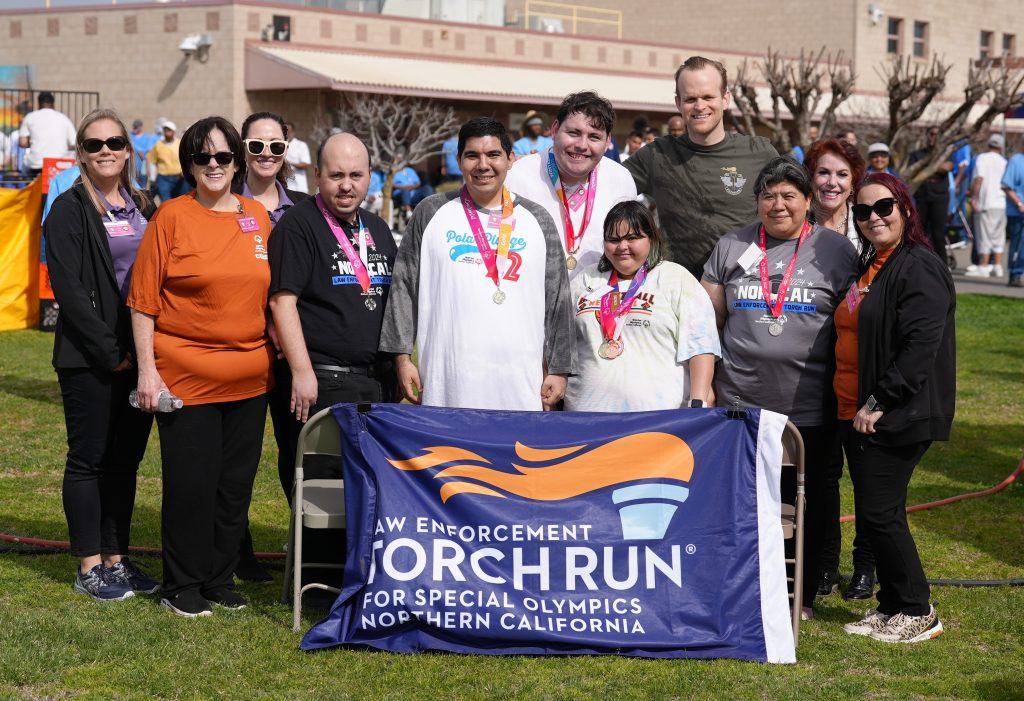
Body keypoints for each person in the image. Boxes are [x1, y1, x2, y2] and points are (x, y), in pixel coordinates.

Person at [128, 116, 274, 618]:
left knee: (234, 486)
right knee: (191, 484)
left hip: (250, 378)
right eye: (201, 157)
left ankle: (219, 577)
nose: (213, 165)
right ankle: (183, 584)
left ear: (237, 160)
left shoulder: (257, 215)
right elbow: (143, 301)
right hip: (186, 377)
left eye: (223, 156)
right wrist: (148, 372)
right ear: (188, 163)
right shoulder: (170, 216)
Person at [701, 157, 857, 620]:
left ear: (809, 202)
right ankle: (742, 584)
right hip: (740, 402)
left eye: (790, 195)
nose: (778, 204)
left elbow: (852, 322)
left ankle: (803, 593)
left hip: (810, 406)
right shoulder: (733, 245)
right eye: (768, 196)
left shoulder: (835, 250)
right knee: (743, 497)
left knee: (807, 500)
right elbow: (710, 322)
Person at [380, 116, 575, 410]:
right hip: (448, 384)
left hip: (520, 387)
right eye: (472, 155)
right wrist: (402, 358)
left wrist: (560, 369)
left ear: (510, 159)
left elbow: (558, 300)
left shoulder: (538, 219)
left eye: (493, 154)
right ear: (459, 160)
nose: (483, 165)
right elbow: (403, 289)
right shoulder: (429, 212)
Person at [44, 108, 159, 602]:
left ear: (128, 150)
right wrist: (111, 353)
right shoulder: (68, 211)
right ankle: (89, 565)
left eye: (114, 142)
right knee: (88, 460)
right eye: (94, 145)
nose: (106, 151)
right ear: (81, 155)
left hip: (140, 356)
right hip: (90, 357)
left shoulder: (144, 204)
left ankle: (117, 559)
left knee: (124, 462)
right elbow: (68, 292)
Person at [837, 172, 954, 643]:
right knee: (875, 512)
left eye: (883, 207)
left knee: (881, 513)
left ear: (905, 208)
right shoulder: (873, 264)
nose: (873, 218)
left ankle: (917, 609)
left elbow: (921, 344)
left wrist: (880, 399)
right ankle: (890, 606)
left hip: (894, 413)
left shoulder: (917, 265)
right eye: (862, 211)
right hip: (859, 410)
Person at [269, 131, 396, 491]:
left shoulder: (378, 229)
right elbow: (282, 302)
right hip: (322, 382)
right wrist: (302, 371)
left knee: (374, 490)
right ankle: (319, 551)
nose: (346, 186)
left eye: (355, 176)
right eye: (336, 175)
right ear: (317, 176)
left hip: (375, 384)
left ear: (369, 176)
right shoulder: (298, 226)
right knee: (323, 494)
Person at [230, 110, 310, 583]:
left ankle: (304, 548)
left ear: (286, 152)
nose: (265, 155)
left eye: (275, 147)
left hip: (288, 355)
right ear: (242, 148)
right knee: (236, 457)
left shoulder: (303, 208)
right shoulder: (219, 201)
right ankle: (234, 550)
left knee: (294, 452)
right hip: (237, 347)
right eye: (256, 146)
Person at [625, 56, 779, 279]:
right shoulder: (656, 155)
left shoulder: (760, 153)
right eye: (690, 99)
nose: (700, 106)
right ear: (678, 103)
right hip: (679, 291)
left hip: (745, 290)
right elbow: (604, 189)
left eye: (708, 97)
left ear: (725, 99)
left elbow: (794, 212)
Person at [565, 200, 719, 412]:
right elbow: (560, 341)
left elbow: (701, 346)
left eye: (633, 238)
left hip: (657, 424)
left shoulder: (675, 278)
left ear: (652, 238)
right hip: (586, 418)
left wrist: (698, 402)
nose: (622, 247)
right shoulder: (585, 279)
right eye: (613, 239)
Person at [505, 91, 637, 280]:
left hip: (595, 302)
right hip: (532, 298)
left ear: (608, 141)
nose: (582, 145)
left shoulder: (621, 180)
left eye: (594, 137)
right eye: (573, 133)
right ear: (555, 129)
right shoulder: (517, 176)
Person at [806, 138, 866, 250]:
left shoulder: (866, 221)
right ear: (811, 178)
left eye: (842, 174)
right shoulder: (796, 222)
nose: (832, 182)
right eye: (823, 172)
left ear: (853, 182)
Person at [966, 134, 1008, 279]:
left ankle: (983, 266)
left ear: (988, 144)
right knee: (998, 236)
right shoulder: (1004, 161)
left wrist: (973, 196)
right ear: (1001, 147)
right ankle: (997, 266)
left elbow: (979, 178)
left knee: (984, 235)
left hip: (986, 202)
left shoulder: (982, 158)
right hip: (1000, 202)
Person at [908, 127, 954, 257]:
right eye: (931, 134)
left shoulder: (946, 154)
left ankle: (942, 266)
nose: (933, 137)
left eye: (937, 134)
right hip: (921, 197)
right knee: (919, 233)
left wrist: (925, 169)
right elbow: (912, 172)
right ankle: (919, 262)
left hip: (939, 198)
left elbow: (947, 167)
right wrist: (935, 169)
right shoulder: (916, 154)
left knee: (938, 234)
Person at [18, 91, 76, 177]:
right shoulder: (64, 118)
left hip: (36, 165)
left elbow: (22, 143)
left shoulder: (30, 117)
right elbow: (74, 143)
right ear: (53, 103)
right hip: (59, 165)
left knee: (24, 167)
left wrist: (35, 142)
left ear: (39, 103)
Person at [147, 121, 189, 204]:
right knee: (166, 202)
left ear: (173, 132)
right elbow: (152, 160)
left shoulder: (180, 143)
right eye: (165, 130)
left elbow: (186, 159)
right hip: (163, 178)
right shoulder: (158, 145)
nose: (167, 133)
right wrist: (152, 177)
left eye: (169, 130)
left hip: (179, 178)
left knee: (181, 201)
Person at [1003, 136, 1024, 288]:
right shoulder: (1016, 160)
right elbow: (1006, 186)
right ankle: (1015, 274)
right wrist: (1019, 203)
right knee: (1018, 244)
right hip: (1018, 212)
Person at [284, 121, 312, 194]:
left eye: (289, 131)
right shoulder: (279, 146)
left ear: (293, 132)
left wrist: (289, 163)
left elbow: (306, 164)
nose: (287, 134)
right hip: (285, 188)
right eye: (284, 131)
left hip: (299, 187)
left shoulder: (301, 145)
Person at [129, 119, 158, 189]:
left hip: (143, 165)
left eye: (136, 127)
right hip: (131, 166)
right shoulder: (130, 136)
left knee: (143, 186)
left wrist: (148, 168)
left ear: (141, 127)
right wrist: (138, 150)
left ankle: (142, 199)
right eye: (134, 127)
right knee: (132, 186)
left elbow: (148, 152)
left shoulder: (147, 138)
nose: (134, 129)